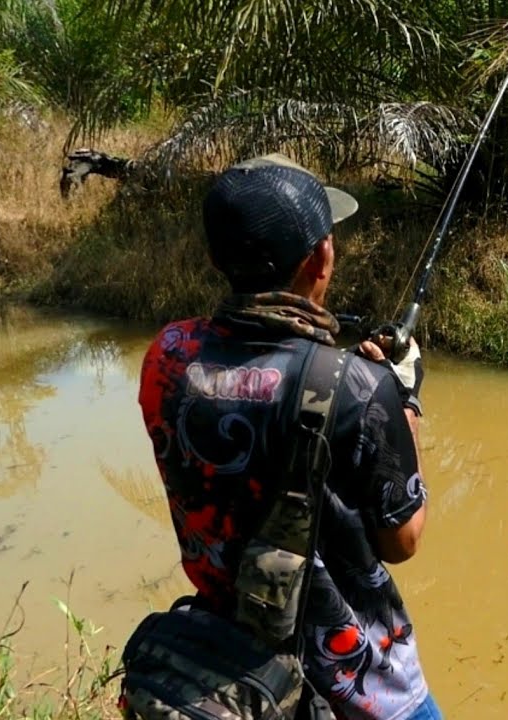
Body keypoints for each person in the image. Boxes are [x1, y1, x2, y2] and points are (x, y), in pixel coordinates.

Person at [135, 153, 441, 720]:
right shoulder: (357, 388)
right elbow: (402, 541)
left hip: (226, 648)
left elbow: (258, 406)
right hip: (352, 675)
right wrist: (401, 403)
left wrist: (357, 387)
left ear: (214, 257)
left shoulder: (167, 355)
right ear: (320, 256)